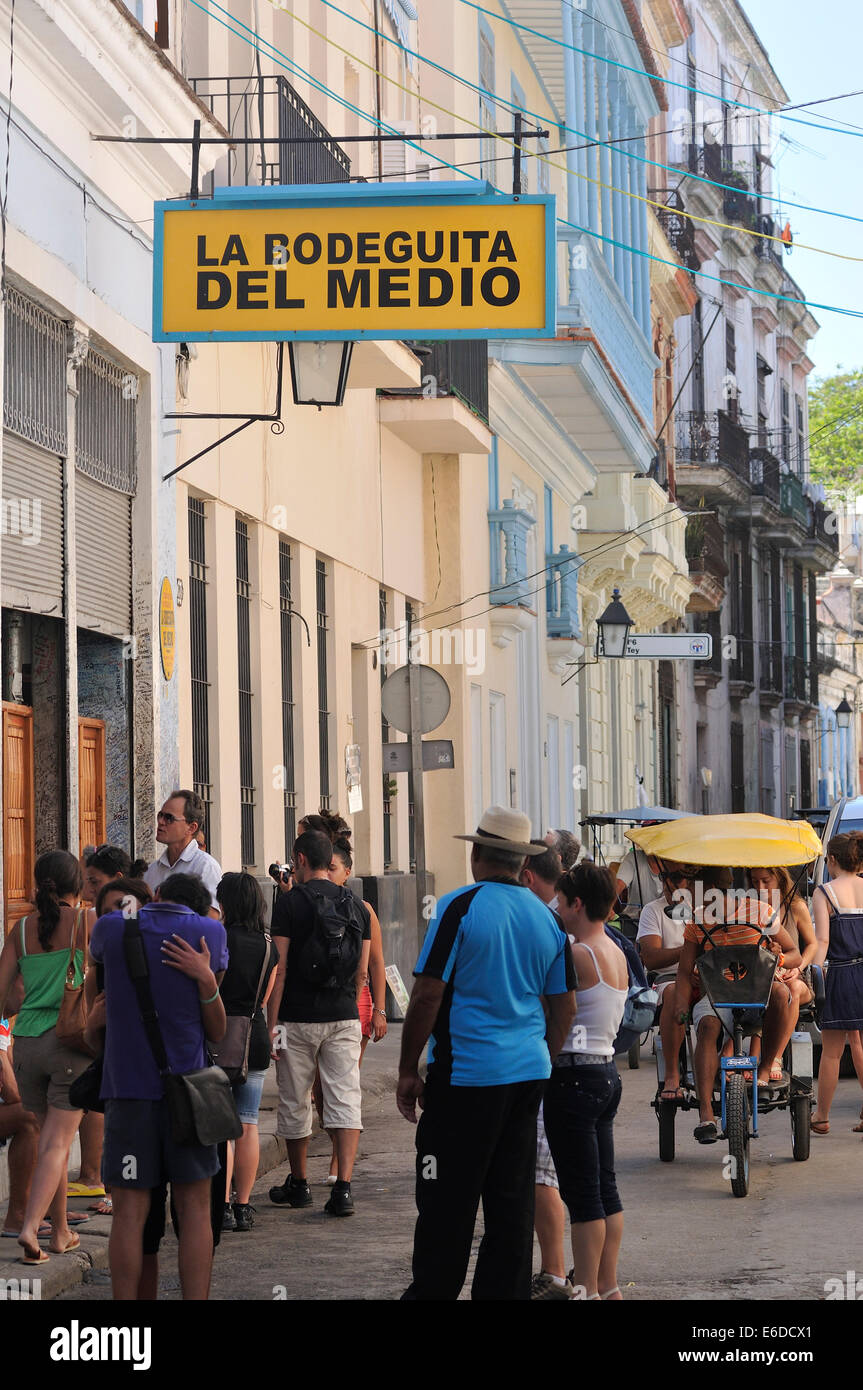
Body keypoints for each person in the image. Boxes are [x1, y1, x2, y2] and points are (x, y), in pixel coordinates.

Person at [397, 806, 576, 1301]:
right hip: (525, 1079)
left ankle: (434, 1292)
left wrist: (408, 1070)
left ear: (476, 853)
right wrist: (542, 1055)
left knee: (445, 1201)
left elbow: (428, 994)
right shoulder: (548, 921)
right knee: (510, 1200)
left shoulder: (458, 907)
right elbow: (565, 1006)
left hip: (464, 1080)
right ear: (522, 862)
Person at [87, 870, 228, 1300]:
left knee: (129, 1213)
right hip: (189, 1097)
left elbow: (97, 963)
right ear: (200, 907)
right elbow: (216, 1031)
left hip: (128, 1095)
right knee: (195, 1210)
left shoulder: (112, 926)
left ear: (157, 894)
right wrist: (204, 978)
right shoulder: (210, 931)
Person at [267, 830, 371, 1217]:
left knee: (296, 1099)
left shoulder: (289, 903)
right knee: (345, 1097)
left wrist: (271, 1025)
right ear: (331, 862)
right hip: (344, 1015)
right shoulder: (358, 905)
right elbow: (362, 972)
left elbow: (279, 970)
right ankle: (343, 1187)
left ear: (299, 860)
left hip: (297, 1016)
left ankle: (300, 1182)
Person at [0, 851, 94, 1264]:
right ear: (77, 885)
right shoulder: (85, 923)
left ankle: (60, 1232)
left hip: (27, 1047)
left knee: (47, 1143)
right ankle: (30, 1228)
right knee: (59, 1142)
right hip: (69, 1044)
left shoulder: (20, 931)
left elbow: (3, 996)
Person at [543, 863, 629, 1302]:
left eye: (560, 900)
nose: (556, 907)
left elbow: (559, 1010)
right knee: (604, 1188)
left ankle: (586, 1289)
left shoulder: (578, 954)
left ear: (577, 903)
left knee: (582, 1196)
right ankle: (608, 1285)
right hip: (605, 1073)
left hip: (573, 1076)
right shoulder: (613, 950)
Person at [674, 866, 800, 1143]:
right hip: (716, 997)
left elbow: (795, 954)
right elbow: (684, 971)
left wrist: (778, 958)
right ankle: (706, 1115)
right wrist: (681, 1005)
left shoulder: (760, 912)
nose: (696, 902)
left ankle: (765, 1069)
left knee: (780, 994)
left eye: (700, 895)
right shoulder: (697, 921)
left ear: (715, 892)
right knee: (707, 1026)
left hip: (757, 993)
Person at [519, 840, 574, 1300]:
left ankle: (555, 1272)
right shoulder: (555, 920)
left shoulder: (548, 922)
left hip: (545, 1063)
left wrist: (547, 1056)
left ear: (528, 875)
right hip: (564, 1063)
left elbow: (562, 1004)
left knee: (541, 1175)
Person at [315, 837, 387, 1184]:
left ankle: (337, 1165)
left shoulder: (363, 909)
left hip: (355, 1005)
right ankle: (336, 1148)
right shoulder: (308, 902)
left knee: (342, 1085)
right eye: (324, 867)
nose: (328, 873)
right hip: (314, 1007)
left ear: (347, 872)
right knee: (318, 1093)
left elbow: (376, 963)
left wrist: (380, 1010)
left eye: (334, 868)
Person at [72, 845, 135, 1203]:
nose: (89, 891)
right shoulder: (108, 917)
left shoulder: (125, 917)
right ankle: (110, 1183)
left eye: (95, 883)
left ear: (118, 882)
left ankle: (115, 1187)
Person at [215, 873, 279, 1232]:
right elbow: (264, 999)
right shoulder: (270, 945)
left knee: (223, 1127)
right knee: (248, 1122)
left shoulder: (219, 939)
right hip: (254, 1039)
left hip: (221, 1039)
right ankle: (243, 1206)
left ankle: (221, 1205)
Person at [811, 832, 863, 1134]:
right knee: (859, 1042)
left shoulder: (825, 892)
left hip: (843, 973)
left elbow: (821, 941)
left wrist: (810, 971)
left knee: (832, 1051)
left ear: (832, 860)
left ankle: (822, 1116)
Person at [748, 866, 817, 1083]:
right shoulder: (749, 909)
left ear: (779, 878)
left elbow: (813, 944)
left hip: (795, 977)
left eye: (766, 881)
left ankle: (775, 1056)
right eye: (755, 881)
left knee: (791, 988)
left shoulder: (796, 907)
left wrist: (797, 967)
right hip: (763, 978)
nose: (760, 887)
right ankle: (751, 1058)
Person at [636, 862, 697, 1101]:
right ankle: (672, 1074)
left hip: (703, 976)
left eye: (680, 878)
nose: (670, 884)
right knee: (673, 992)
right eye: (668, 878)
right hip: (669, 978)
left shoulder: (704, 907)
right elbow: (651, 957)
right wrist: (687, 952)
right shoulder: (653, 911)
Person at [144, 790, 222, 916]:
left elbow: (210, 918)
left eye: (169, 818)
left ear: (191, 828)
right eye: (160, 815)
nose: (161, 822)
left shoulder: (205, 867)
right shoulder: (151, 871)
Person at [0, 1016, 41, 1241]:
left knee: (43, 1113)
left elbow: (20, 1081)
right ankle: (18, 1216)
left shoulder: (4, 1022)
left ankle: (41, 1212)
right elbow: (12, 1091)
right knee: (32, 1116)